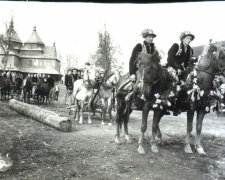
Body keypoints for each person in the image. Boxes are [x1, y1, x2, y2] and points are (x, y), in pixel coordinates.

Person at [128, 28, 160, 110]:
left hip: (151, 71)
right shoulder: (139, 46)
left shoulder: (154, 48)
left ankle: (159, 100)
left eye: (152, 37)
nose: (151, 38)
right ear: (145, 37)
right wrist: (132, 73)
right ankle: (133, 101)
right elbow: (132, 60)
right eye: (149, 37)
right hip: (140, 70)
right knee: (139, 81)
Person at [167, 31, 195, 115]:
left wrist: (189, 68)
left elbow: (187, 62)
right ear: (182, 39)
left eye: (190, 39)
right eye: (187, 38)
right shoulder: (176, 46)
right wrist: (177, 68)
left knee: (187, 84)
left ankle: (180, 105)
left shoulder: (190, 50)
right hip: (172, 67)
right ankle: (166, 103)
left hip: (182, 70)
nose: (189, 40)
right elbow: (170, 58)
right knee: (173, 83)